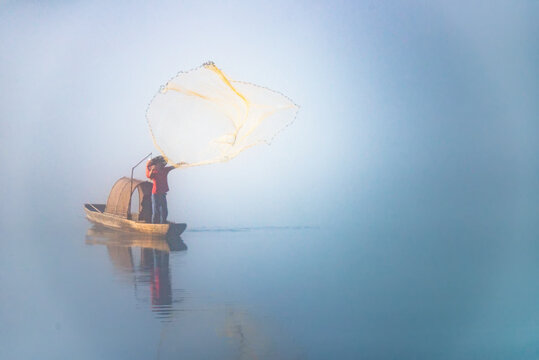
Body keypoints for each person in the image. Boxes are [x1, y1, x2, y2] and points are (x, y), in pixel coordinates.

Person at [146, 156, 186, 224]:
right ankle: (154, 226)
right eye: (158, 164)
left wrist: (181, 163)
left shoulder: (165, 170)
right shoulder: (153, 172)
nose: (159, 165)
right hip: (155, 194)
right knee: (155, 212)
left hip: (163, 194)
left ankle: (163, 224)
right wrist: (152, 170)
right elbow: (149, 176)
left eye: (160, 163)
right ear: (155, 164)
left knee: (164, 211)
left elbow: (173, 167)